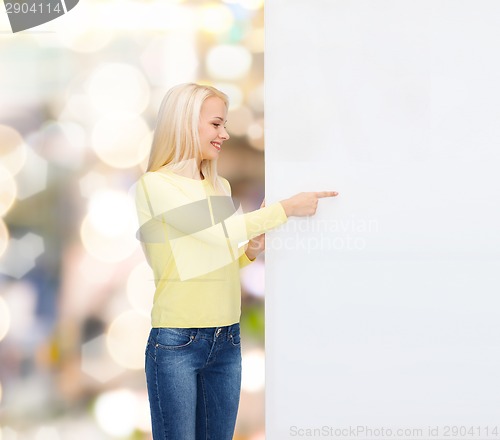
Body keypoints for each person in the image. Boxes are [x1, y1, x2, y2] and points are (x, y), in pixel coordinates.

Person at [134, 82, 338, 440]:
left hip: (226, 339)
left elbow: (212, 256)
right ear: (185, 124)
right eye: (216, 124)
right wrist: (286, 209)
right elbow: (219, 233)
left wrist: (249, 253)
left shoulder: (220, 186)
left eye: (224, 124)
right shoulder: (155, 185)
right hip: (176, 343)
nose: (224, 134)